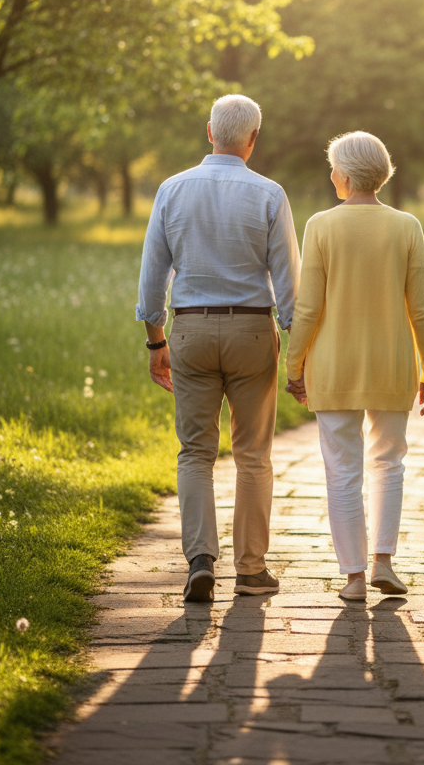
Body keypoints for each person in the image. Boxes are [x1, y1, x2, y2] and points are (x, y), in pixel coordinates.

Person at [136, 94, 300, 602]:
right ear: (253, 139)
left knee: (195, 452)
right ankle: (251, 570)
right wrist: (298, 349)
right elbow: (288, 282)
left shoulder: (172, 189)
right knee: (253, 454)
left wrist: (155, 338)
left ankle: (200, 561)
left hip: (190, 331)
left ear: (210, 131)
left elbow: (152, 275)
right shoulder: (270, 194)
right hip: (253, 332)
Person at [285, 131, 424, 601]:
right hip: (393, 364)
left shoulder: (321, 226)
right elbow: (422, 309)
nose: (331, 175)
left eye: (333, 168)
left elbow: (307, 308)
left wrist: (294, 365)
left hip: (334, 366)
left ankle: (353, 576)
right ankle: (384, 563)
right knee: (390, 463)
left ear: (346, 175)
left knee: (342, 470)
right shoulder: (407, 226)